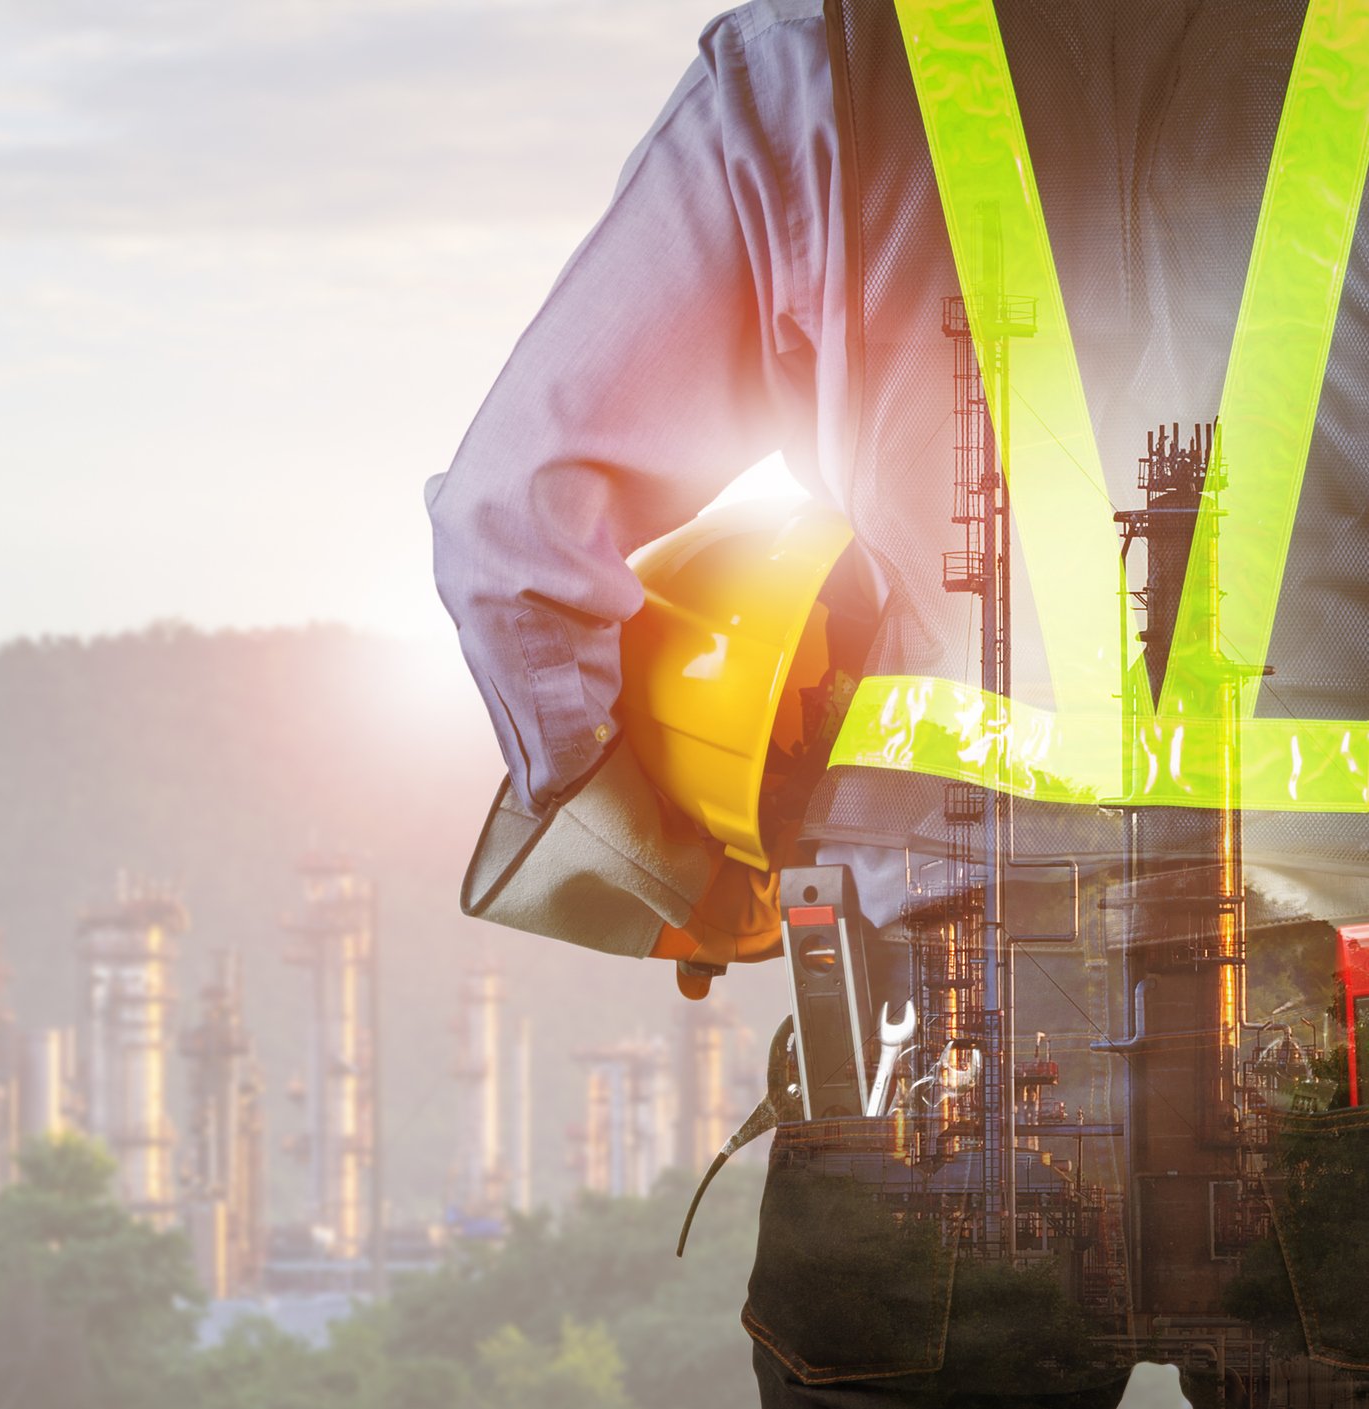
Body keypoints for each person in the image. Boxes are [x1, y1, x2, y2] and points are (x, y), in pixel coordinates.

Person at [427, 2, 1369, 1406]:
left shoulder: (824, 64)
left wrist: (677, 861)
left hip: (922, 1023)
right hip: (1340, 1023)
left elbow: (517, 532)